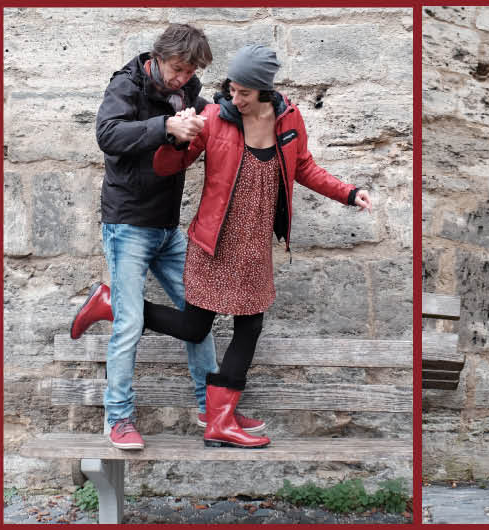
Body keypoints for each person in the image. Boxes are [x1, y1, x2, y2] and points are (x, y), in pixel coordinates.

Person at [71, 45, 372, 449]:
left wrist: (349, 193)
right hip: (214, 242)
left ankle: (219, 416)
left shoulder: (289, 118)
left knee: (238, 325)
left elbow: (304, 168)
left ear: (266, 91)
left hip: (255, 246)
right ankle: (213, 415)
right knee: (200, 326)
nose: (235, 99)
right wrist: (176, 139)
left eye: (244, 92)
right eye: (232, 89)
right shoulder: (214, 117)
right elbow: (166, 166)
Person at [68, 23, 234, 451]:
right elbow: (108, 135)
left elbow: (204, 126)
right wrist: (166, 127)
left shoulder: (189, 94)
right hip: (127, 224)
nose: (182, 77)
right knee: (130, 324)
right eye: (177, 68)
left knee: (199, 316)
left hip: (167, 228)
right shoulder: (127, 85)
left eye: (190, 70)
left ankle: (209, 408)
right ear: (158, 57)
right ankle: (118, 418)